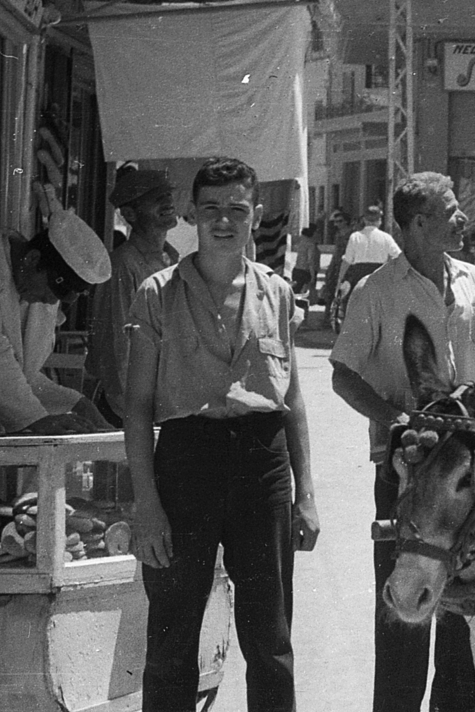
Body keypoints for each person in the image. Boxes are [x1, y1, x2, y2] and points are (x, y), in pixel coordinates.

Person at [123, 157, 319, 712]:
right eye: (212, 209)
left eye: (237, 209)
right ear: (192, 214)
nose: (224, 221)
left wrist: (306, 494)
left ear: (255, 216)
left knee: (271, 638)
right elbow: (137, 410)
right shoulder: (157, 294)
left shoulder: (277, 294)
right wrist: (147, 506)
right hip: (187, 462)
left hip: (263, 463)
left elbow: (294, 401)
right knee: (171, 637)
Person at [329, 172, 475, 712]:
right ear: (416, 225)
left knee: (466, 619)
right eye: (450, 211)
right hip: (409, 473)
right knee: (405, 616)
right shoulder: (377, 292)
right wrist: (393, 420)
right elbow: (342, 373)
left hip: (473, 479)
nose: (462, 219)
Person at [0, 205, 114, 434]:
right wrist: (35, 418)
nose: (52, 303)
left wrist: (77, 404)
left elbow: (22, 377)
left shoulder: (33, 290)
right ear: (32, 259)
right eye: (55, 290)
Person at [86, 166, 180, 423]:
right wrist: (139, 414)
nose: (167, 202)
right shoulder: (123, 265)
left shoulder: (172, 260)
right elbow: (118, 349)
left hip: (164, 405)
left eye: (167, 195)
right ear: (130, 213)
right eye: (155, 198)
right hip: (131, 410)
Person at [337, 205, 401, 299]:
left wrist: (339, 281)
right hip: (379, 276)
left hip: (358, 277)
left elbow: (347, 261)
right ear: (379, 221)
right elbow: (398, 256)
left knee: (350, 306)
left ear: (364, 220)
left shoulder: (355, 237)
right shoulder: (386, 237)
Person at [318, 209, 351, 308]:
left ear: (346, 221)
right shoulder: (337, 235)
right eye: (335, 222)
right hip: (336, 264)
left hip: (347, 264)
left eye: (340, 221)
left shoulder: (351, 235)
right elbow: (336, 251)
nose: (337, 224)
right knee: (330, 290)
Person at [290, 226, 319, 300]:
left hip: (297, 270)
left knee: (295, 294)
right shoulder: (311, 245)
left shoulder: (301, 244)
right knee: (304, 296)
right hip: (305, 272)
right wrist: (312, 276)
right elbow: (310, 260)